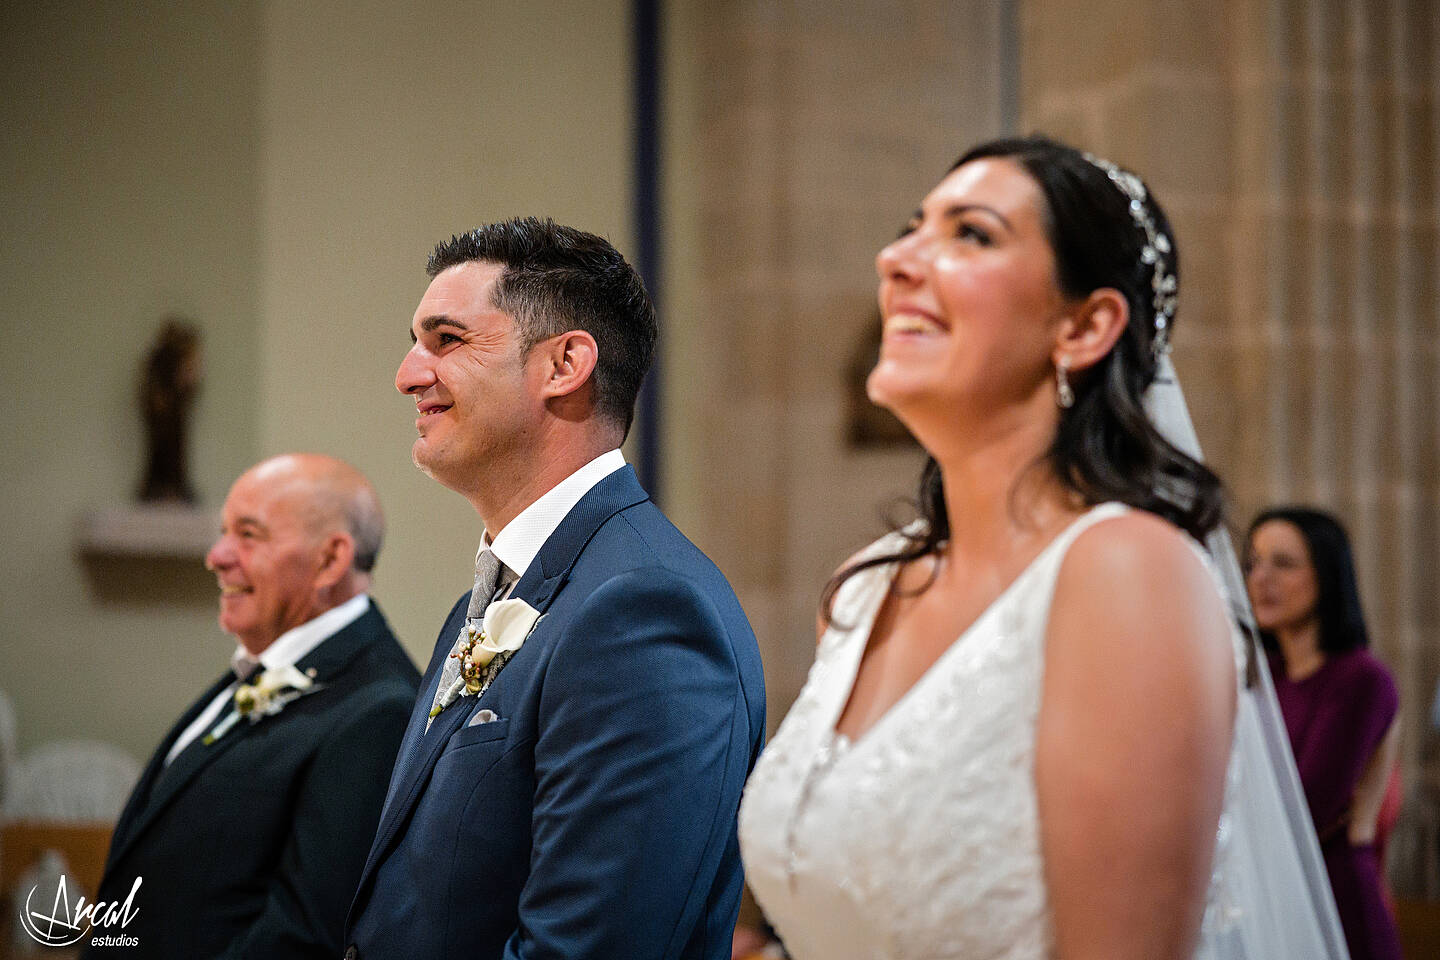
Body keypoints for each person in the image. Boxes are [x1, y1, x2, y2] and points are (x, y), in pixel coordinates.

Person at [739, 135, 1348, 960]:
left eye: (972, 234)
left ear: (1086, 325)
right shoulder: (864, 590)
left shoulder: (1127, 577)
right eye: (912, 227)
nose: (896, 259)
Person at [344, 218, 766, 960]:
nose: (408, 374)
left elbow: (590, 947)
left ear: (565, 363)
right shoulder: (495, 596)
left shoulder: (645, 609)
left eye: (448, 340)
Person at [85, 454, 419, 960]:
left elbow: (304, 936)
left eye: (248, 534)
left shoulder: (377, 711)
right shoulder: (263, 665)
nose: (216, 556)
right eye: (223, 532)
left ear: (330, 560)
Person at [1245, 507, 1403, 960]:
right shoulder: (1264, 676)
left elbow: (1307, 806)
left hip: (1333, 899)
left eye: (1284, 563)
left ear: (1328, 576)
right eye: (1254, 562)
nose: (1261, 578)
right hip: (1269, 897)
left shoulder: (1361, 679)